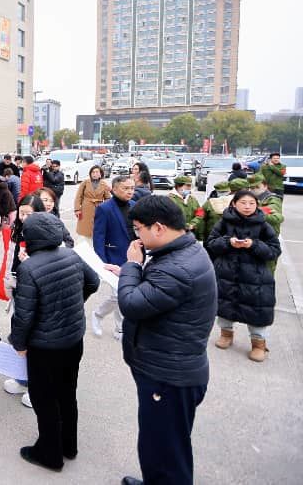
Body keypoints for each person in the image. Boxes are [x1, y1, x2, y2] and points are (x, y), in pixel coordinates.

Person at [117, 195, 218, 485]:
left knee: (167, 453)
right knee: (157, 444)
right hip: (169, 366)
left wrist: (131, 267)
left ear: (159, 227)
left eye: (139, 229)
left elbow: (132, 304)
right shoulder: (184, 251)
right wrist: (132, 275)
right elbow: (153, 293)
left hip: (168, 377)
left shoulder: (177, 267)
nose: (137, 237)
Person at [10, 212, 100, 472]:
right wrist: (73, 304)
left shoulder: (29, 268)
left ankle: (50, 454)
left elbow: (24, 315)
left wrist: (19, 344)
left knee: (44, 399)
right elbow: (93, 282)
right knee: (67, 393)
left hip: (45, 346)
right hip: (73, 339)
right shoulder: (71, 255)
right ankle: (69, 445)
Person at [205, 190, 281, 362]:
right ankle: (226, 334)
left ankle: (258, 344)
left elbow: (274, 250)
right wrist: (227, 242)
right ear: (234, 203)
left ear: (257, 205)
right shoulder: (224, 222)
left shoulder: (263, 224)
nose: (247, 206)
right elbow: (211, 243)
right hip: (226, 273)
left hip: (255, 276)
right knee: (224, 304)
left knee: (257, 308)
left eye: (252, 203)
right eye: (243, 203)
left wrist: (254, 245)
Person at [91, 175, 136, 340]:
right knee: (119, 295)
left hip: (133, 257)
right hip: (113, 257)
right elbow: (98, 237)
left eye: (132, 188)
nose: (130, 191)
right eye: (126, 188)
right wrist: (102, 262)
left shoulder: (135, 206)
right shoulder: (105, 208)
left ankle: (118, 327)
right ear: (115, 189)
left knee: (125, 295)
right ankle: (100, 315)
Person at [73, 165, 111, 247]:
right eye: (93, 172)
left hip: (99, 209)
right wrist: (77, 209)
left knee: (97, 229)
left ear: (100, 174)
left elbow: (108, 198)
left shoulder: (104, 184)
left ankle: (96, 247)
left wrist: (106, 210)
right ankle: (83, 247)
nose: (95, 174)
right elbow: (78, 196)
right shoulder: (85, 183)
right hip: (86, 208)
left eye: (97, 172)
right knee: (84, 230)